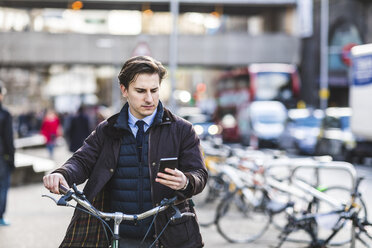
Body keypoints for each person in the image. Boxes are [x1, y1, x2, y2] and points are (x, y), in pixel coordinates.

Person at [43, 56, 208, 248]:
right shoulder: (107, 130)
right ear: (124, 90)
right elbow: (82, 160)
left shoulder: (182, 130)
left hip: (168, 234)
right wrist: (61, 174)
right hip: (118, 236)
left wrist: (186, 181)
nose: (149, 98)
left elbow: (200, 174)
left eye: (154, 90)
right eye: (140, 91)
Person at [0, 82, 15, 226]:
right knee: (3, 187)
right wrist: (12, 159)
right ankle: (0, 217)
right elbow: (9, 139)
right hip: (2, 158)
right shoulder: (5, 114)